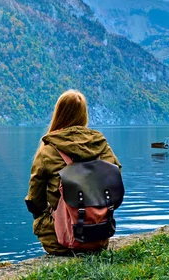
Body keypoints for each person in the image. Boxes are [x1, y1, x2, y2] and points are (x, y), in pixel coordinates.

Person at [24, 89, 122, 255]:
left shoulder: (48, 150)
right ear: (84, 115)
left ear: (59, 114)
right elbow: (116, 185)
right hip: (99, 235)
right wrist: (96, 210)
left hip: (59, 242)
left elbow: (35, 201)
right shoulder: (101, 146)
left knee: (40, 217)